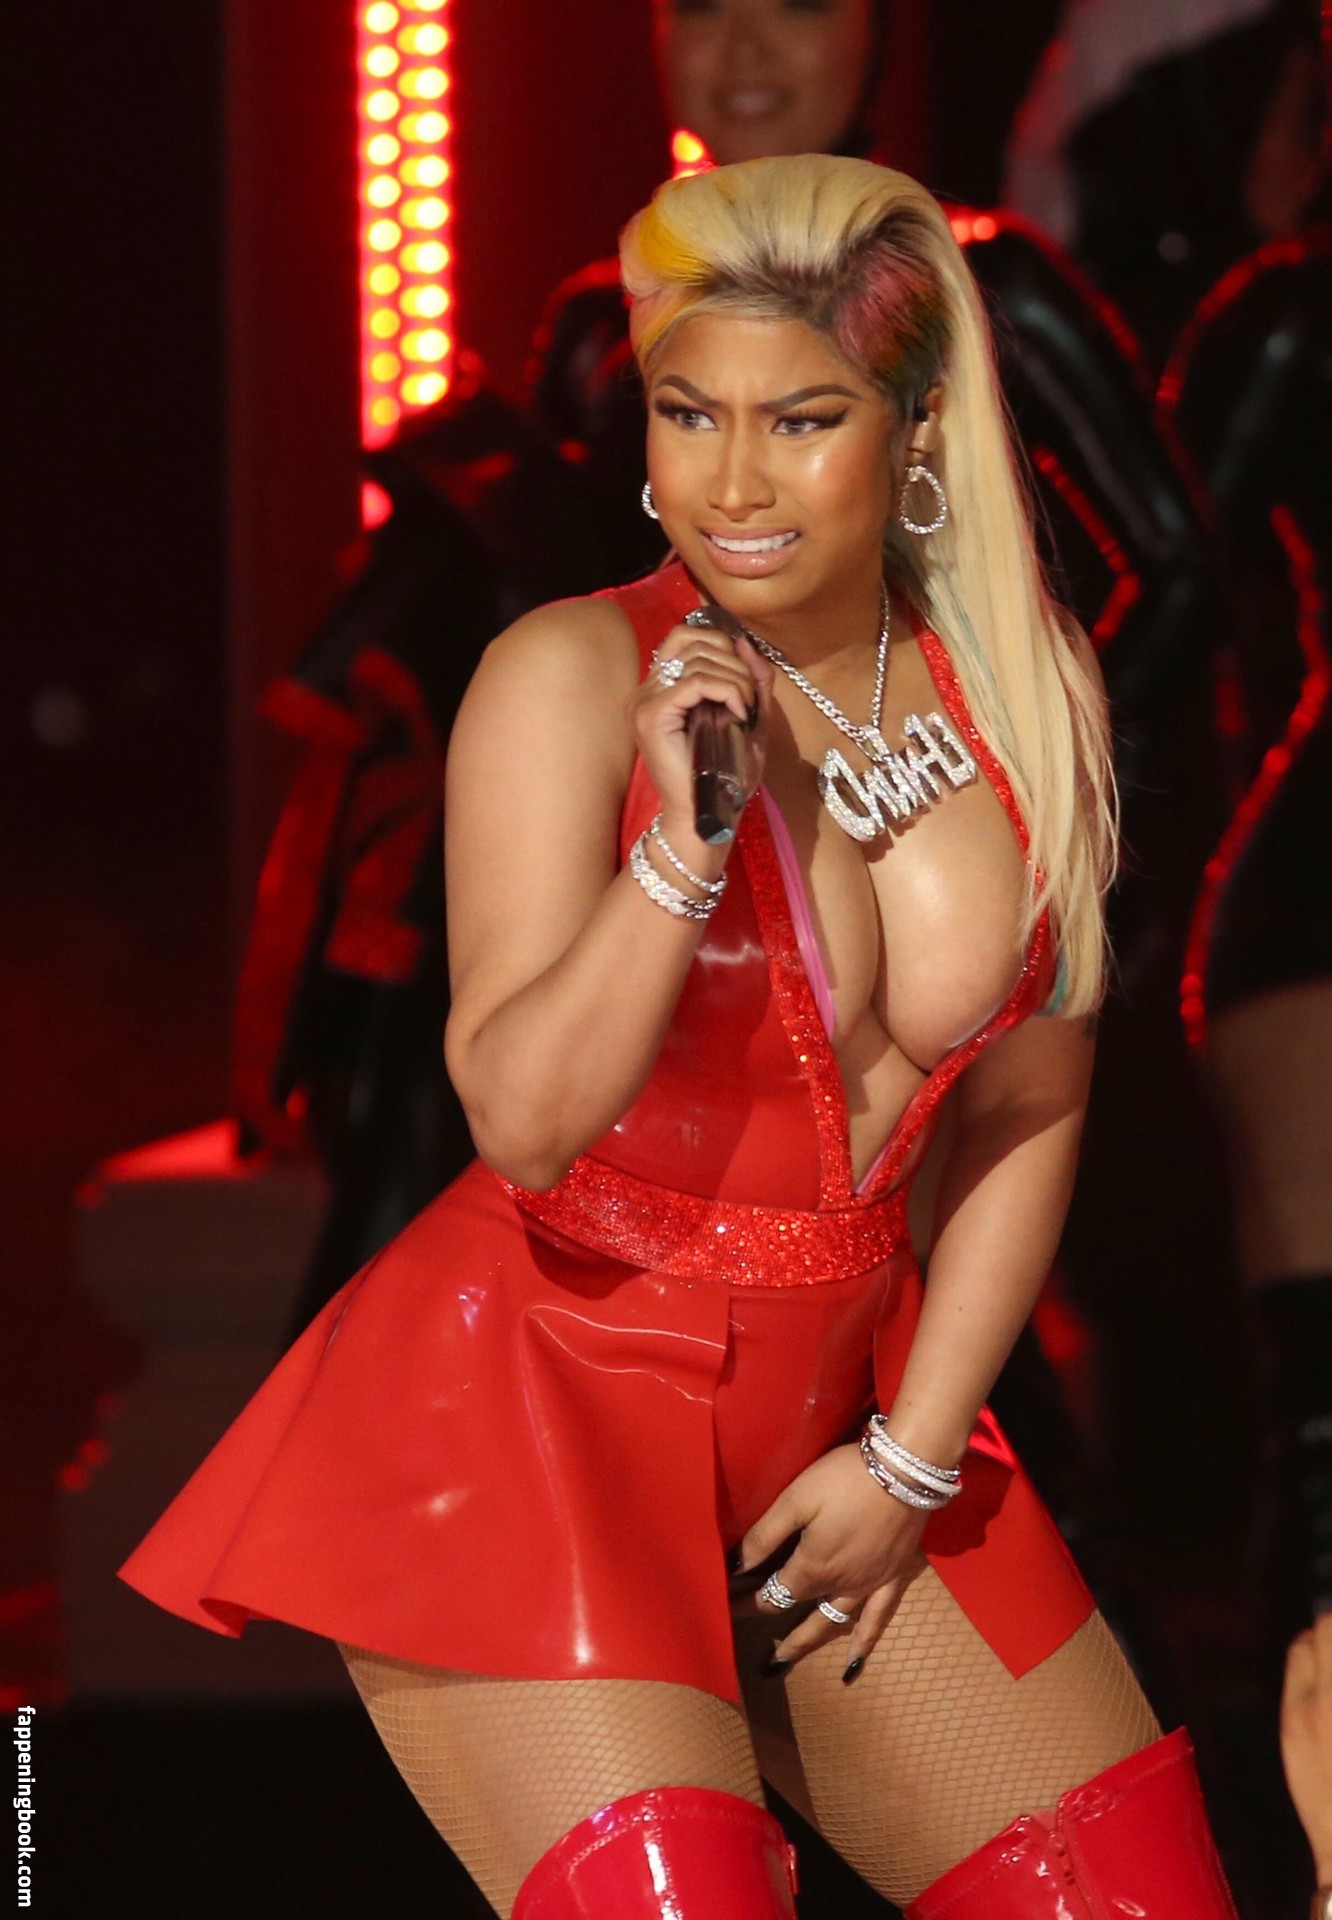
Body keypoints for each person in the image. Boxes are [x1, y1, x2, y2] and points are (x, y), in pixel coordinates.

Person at [119, 156, 1239, 1918]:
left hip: (852, 1411)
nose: (733, 483)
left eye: (802, 421)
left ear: (917, 429)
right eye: (688, 412)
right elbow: (521, 1119)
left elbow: (1031, 1095)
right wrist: (682, 851)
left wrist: (916, 1454)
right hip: (535, 1408)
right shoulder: (568, 676)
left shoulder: (1024, 683)